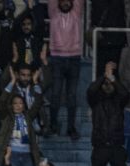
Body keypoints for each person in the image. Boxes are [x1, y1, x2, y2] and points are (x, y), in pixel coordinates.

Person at [87, 61, 130, 166]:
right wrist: (103, 77)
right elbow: (91, 90)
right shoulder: (95, 101)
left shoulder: (119, 101)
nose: (107, 85)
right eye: (105, 83)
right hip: (99, 147)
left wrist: (112, 78)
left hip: (116, 147)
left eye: (110, 83)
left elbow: (125, 93)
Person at [47, 0, 83, 139]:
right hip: (57, 58)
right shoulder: (53, 13)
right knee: (55, 95)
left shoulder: (76, 13)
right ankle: (53, 126)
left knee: (71, 96)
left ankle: (71, 128)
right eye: (63, 1)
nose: (66, 3)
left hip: (74, 58)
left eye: (69, 1)